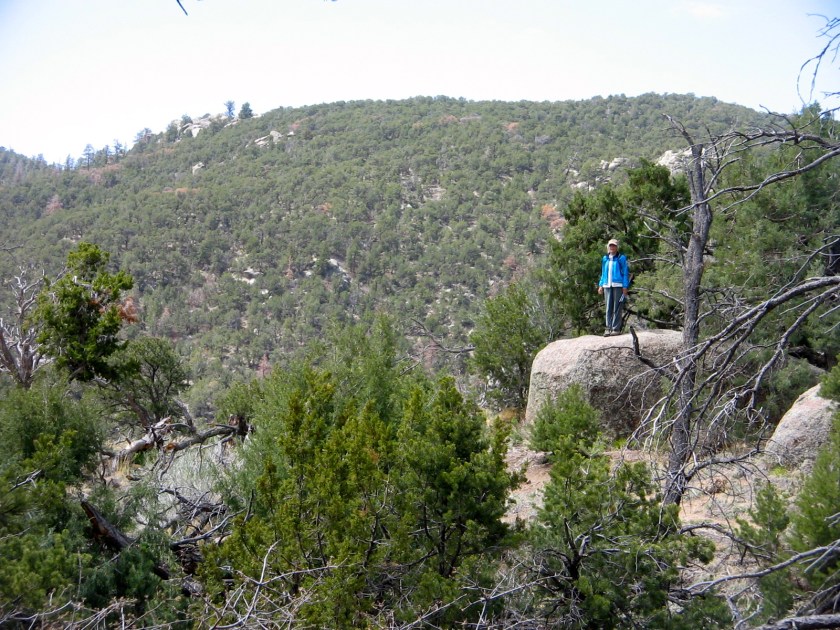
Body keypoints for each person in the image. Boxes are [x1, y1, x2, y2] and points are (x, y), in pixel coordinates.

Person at [597, 238, 629, 336]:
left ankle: (615, 329)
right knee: (608, 307)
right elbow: (603, 273)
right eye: (610, 245)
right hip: (607, 285)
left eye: (614, 245)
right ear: (608, 247)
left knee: (617, 307)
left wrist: (625, 286)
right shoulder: (605, 258)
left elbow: (625, 273)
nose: (612, 247)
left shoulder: (621, 258)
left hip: (618, 286)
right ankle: (608, 328)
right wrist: (600, 285)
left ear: (617, 247)